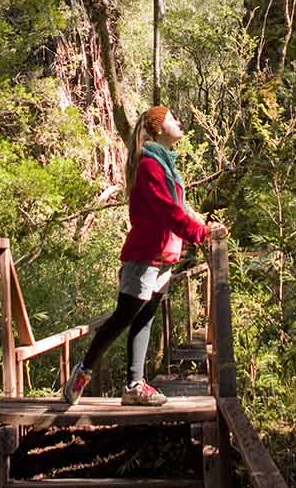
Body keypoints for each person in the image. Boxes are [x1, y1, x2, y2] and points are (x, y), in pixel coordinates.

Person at [61, 105, 227, 406]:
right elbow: (168, 211)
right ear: (158, 127)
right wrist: (201, 233)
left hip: (164, 257)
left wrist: (204, 226)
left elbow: (181, 209)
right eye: (173, 118)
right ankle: (83, 370)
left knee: (145, 319)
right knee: (124, 316)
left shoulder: (167, 166)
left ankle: (134, 386)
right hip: (144, 255)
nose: (179, 122)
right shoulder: (150, 165)